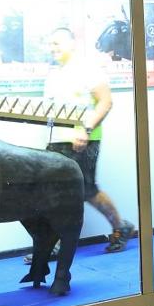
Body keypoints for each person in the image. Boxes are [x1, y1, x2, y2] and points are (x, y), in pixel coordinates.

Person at [41, 27, 136, 252]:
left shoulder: (88, 69)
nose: (52, 48)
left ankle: (121, 227)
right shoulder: (53, 74)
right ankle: (51, 243)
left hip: (84, 139)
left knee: (87, 190)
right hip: (57, 141)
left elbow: (105, 102)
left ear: (73, 44)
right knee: (52, 191)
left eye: (58, 43)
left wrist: (86, 130)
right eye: (50, 44)